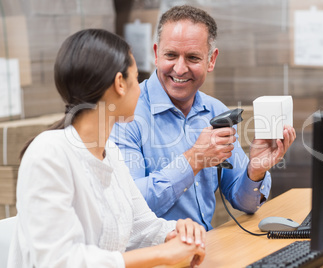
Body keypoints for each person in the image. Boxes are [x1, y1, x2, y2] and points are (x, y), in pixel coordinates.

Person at [8, 29, 206, 268]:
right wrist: (164, 254)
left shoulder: (109, 152)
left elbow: (141, 226)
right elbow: (58, 261)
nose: (140, 88)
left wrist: (176, 232)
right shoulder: (48, 154)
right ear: (119, 83)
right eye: (135, 77)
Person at [110, 5, 296, 231]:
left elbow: (244, 203)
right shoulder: (127, 115)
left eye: (192, 58)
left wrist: (255, 171)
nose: (179, 69)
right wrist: (194, 159)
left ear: (211, 60)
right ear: (156, 54)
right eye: (170, 55)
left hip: (203, 251)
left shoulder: (214, 110)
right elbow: (128, 207)